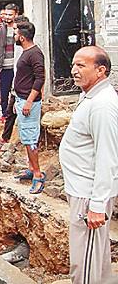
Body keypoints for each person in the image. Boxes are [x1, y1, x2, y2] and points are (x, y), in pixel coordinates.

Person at [59, 46, 118, 283]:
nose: (74, 70)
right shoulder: (90, 96)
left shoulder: (103, 105)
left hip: (89, 196)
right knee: (96, 260)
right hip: (83, 192)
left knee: (84, 264)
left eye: (81, 65)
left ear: (101, 70)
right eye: (74, 64)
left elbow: (108, 156)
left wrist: (96, 204)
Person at [11, 21, 45, 194]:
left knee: (31, 139)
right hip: (22, 100)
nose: (14, 36)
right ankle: (31, 169)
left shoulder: (34, 54)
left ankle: (38, 175)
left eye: (16, 33)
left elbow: (40, 79)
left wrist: (30, 102)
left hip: (28, 102)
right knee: (26, 137)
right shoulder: (27, 52)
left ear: (22, 37)